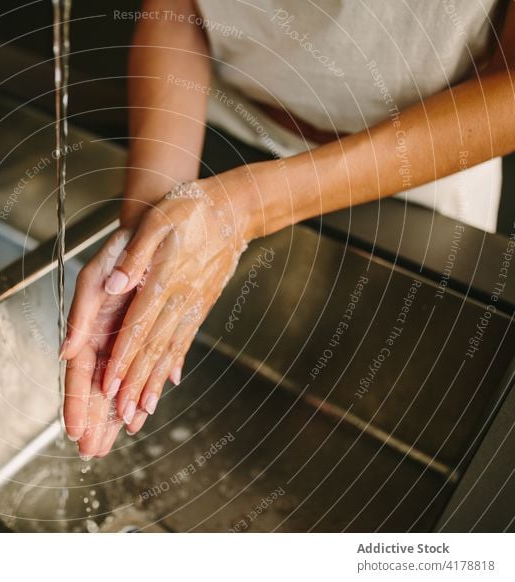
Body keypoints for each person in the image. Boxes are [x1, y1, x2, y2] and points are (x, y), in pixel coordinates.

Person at [59, 0, 515, 458]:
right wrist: (149, 234)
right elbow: (179, 9)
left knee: (365, 422)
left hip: (422, 168)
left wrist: (245, 209)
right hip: (211, 126)